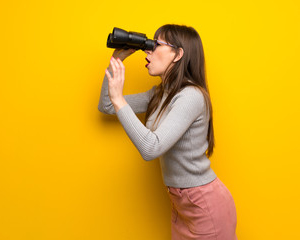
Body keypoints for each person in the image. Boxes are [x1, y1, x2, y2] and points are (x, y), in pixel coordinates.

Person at [98, 24, 237, 240]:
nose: (148, 50)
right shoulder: (159, 94)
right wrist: (117, 60)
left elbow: (150, 148)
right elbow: (107, 105)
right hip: (180, 205)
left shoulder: (191, 96)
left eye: (156, 45)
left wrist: (119, 99)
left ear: (178, 54)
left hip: (204, 206)